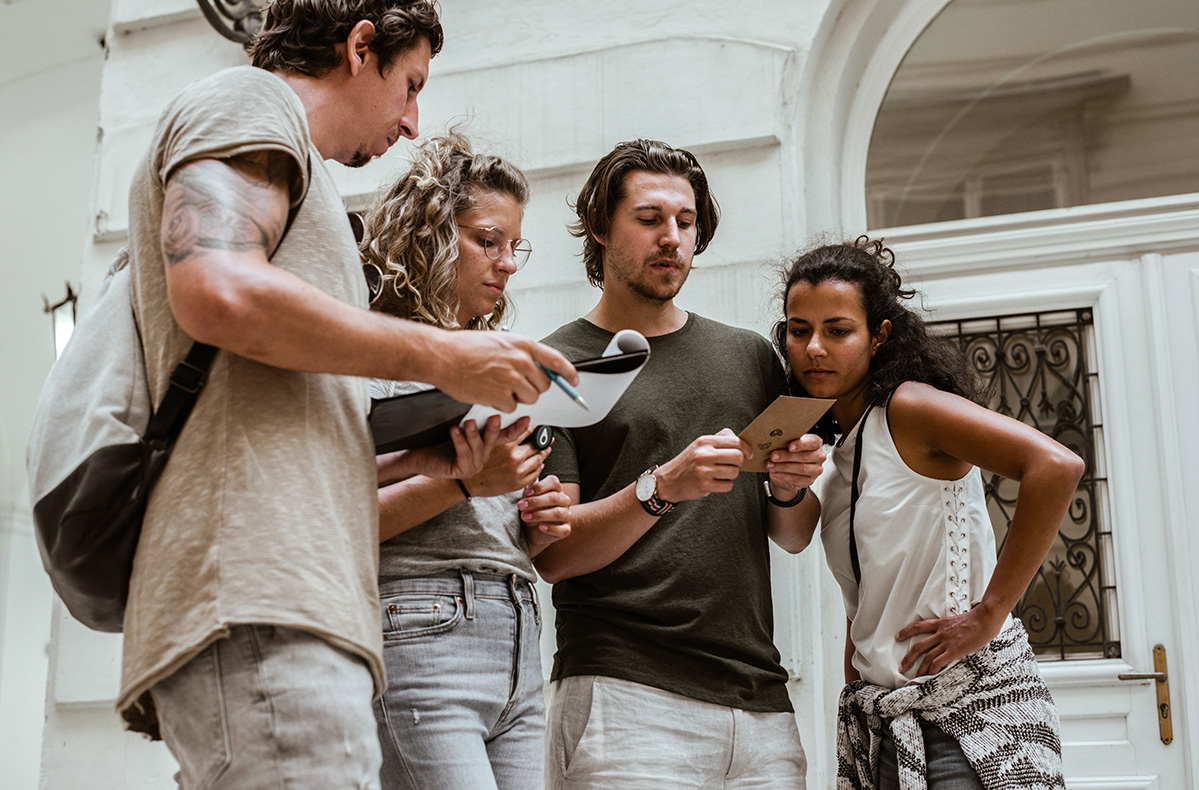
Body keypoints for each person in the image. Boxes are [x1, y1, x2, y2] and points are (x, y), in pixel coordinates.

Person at [118, 3, 576, 787]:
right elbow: (216, 291)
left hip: (296, 601)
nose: (411, 121)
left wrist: (430, 455)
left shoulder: (299, 173)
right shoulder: (250, 102)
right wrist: (445, 356)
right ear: (361, 46)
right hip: (263, 596)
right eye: (408, 85)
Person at [535, 139, 822, 789]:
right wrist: (662, 486)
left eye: (685, 222)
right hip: (624, 696)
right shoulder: (559, 365)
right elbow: (553, 554)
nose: (671, 238)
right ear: (602, 227)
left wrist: (786, 490)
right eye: (649, 219)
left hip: (760, 706)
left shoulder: (750, 356)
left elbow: (795, 533)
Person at [770, 237, 1083, 789]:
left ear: (879, 335)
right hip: (887, 724)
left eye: (838, 330)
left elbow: (1055, 466)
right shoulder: (843, 452)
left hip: (972, 715)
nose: (815, 347)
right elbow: (861, 592)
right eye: (800, 330)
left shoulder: (909, 408)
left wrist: (990, 613)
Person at [358, 131, 572, 790]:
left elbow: (492, 506)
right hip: (421, 629)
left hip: (519, 634)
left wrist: (537, 514)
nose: (507, 263)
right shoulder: (372, 349)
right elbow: (340, 516)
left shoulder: (499, 358)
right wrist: (463, 485)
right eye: (488, 240)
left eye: (515, 246)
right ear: (430, 234)